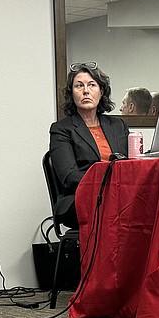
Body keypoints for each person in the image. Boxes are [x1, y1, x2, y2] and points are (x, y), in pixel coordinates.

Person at [48, 62, 129, 227]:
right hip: (80, 198)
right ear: (72, 94)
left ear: (101, 92)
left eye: (92, 85)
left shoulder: (118, 125)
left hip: (119, 196)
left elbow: (130, 164)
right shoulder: (62, 129)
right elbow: (69, 177)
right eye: (79, 86)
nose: (86, 91)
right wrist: (108, 185)